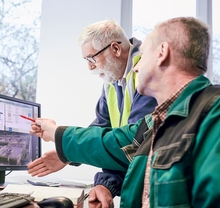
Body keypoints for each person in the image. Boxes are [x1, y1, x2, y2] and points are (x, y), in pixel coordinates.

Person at [30, 16, 220, 207]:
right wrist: (63, 143)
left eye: (143, 55)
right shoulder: (157, 122)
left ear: (162, 53)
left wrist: (60, 138)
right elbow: (118, 144)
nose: (136, 66)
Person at [27, 19, 157, 204]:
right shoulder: (112, 84)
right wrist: (67, 155)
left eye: (92, 58)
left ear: (116, 49)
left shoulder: (146, 73)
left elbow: (133, 143)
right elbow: (104, 133)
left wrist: (59, 136)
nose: (90, 66)